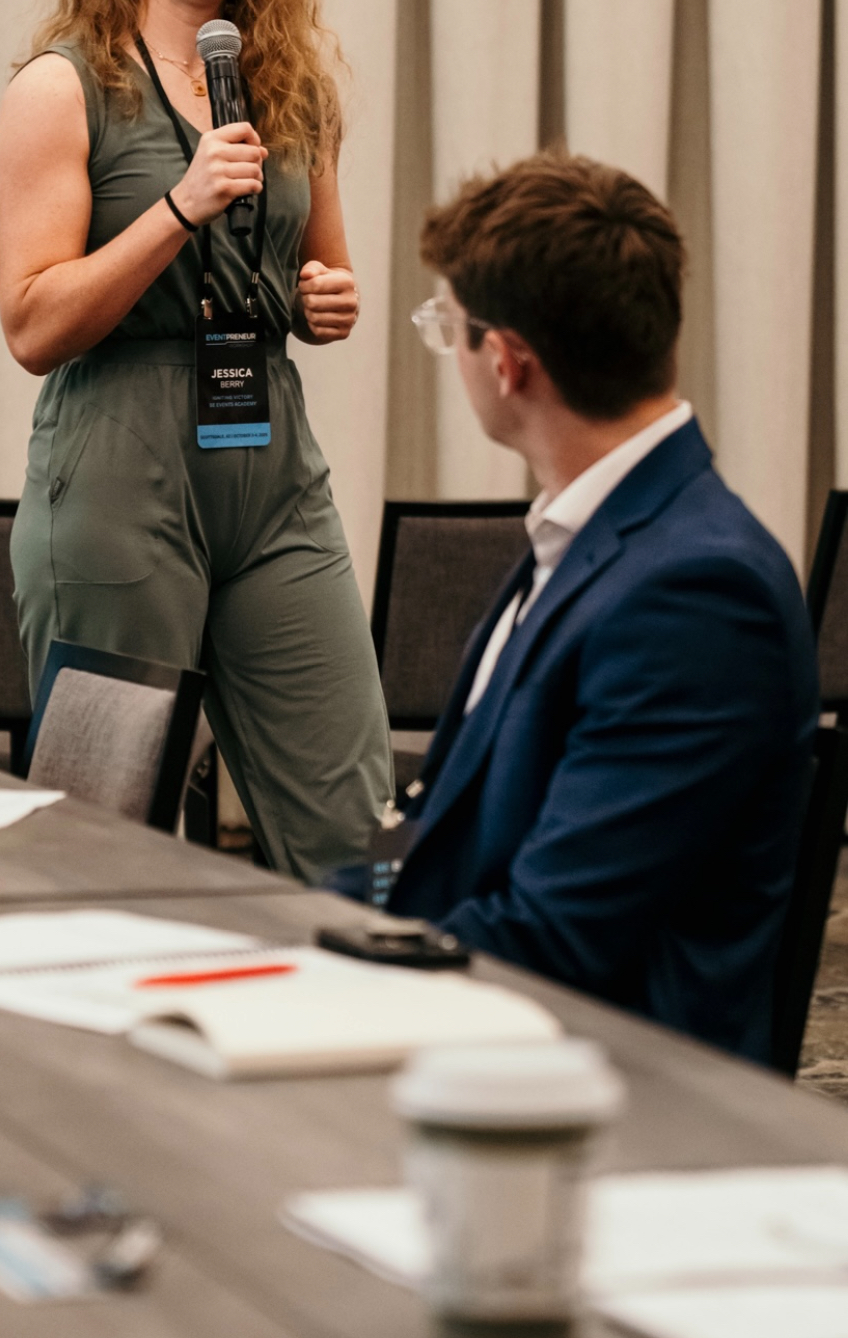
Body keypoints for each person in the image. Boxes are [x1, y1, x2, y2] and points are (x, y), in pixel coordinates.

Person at [0, 0, 392, 880]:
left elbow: (328, 273)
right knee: (106, 850)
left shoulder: (293, 87)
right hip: (118, 470)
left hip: (269, 468)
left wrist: (326, 301)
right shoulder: (58, 88)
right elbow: (32, 323)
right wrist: (176, 207)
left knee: (355, 831)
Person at [339, 152, 818, 1063]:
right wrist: (274, 928)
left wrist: (318, 976)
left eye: (450, 329)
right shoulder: (595, 531)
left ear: (507, 362)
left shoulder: (698, 596)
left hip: (604, 1094)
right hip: (490, 1027)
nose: (453, 352)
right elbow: (440, 843)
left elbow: (556, 937)